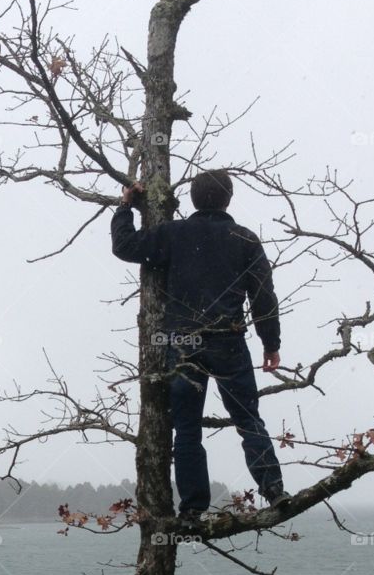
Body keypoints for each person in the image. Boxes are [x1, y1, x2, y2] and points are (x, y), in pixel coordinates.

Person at [111, 168, 291, 521]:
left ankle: (192, 510)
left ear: (192, 198)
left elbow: (126, 246)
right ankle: (274, 492)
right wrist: (271, 343)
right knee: (248, 421)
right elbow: (263, 296)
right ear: (229, 198)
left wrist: (125, 206)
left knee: (187, 429)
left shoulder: (174, 235)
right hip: (229, 341)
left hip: (182, 343)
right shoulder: (245, 239)